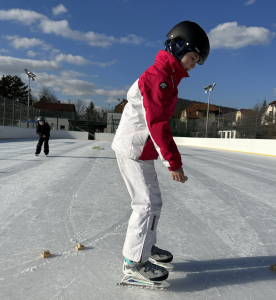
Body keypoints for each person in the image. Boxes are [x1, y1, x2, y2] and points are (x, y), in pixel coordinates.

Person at [112, 21, 210, 288]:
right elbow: (157, 125)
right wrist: (173, 163)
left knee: (152, 202)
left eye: (196, 61)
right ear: (179, 49)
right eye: (192, 58)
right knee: (147, 205)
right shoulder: (158, 79)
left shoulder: (167, 78)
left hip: (139, 149)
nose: (192, 65)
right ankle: (134, 264)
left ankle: (145, 247)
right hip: (134, 149)